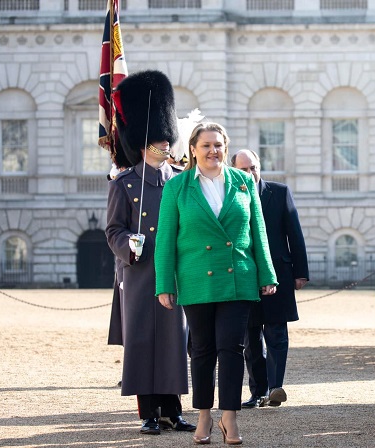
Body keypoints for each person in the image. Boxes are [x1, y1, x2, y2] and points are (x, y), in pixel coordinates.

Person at [155, 122, 277, 445]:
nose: (213, 151)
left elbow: (258, 231)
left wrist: (267, 274)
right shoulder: (177, 188)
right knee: (203, 349)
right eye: (206, 145)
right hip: (196, 279)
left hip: (237, 275)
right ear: (193, 150)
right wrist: (164, 283)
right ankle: (205, 414)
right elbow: (165, 239)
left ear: (226, 147)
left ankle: (230, 417)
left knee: (232, 347)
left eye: (219, 145)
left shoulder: (243, 182)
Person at [105, 70, 195, 435]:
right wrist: (130, 244)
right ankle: (149, 412)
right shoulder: (125, 183)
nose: (164, 146)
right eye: (158, 141)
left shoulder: (179, 181)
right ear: (144, 144)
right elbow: (113, 229)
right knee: (143, 341)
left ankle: (173, 410)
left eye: (165, 140)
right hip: (140, 271)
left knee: (175, 341)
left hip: (173, 269)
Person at [230, 149, 309, 409]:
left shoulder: (279, 192)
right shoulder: (229, 196)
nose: (250, 173)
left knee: (276, 333)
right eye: (244, 169)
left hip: (279, 275)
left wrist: (301, 272)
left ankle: (276, 387)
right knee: (251, 339)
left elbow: (294, 233)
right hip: (244, 276)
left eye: (253, 167)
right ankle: (257, 392)